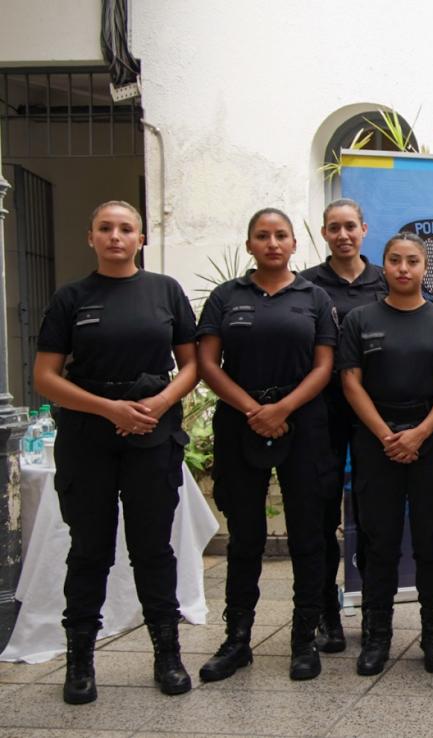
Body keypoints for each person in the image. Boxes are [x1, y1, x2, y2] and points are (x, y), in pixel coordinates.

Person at [33, 201, 199, 704]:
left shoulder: (165, 291)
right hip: (89, 435)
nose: (116, 237)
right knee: (89, 551)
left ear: (141, 239)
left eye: (126, 229)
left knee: (153, 548)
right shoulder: (71, 298)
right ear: (91, 237)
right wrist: (110, 410)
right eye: (105, 228)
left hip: (152, 430)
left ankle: (166, 655)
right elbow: (44, 379)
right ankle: (80, 661)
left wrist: (158, 402)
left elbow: (191, 365)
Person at [196, 207, 338, 682]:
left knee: (308, 534)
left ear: (295, 244)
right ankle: (237, 640)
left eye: (281, 235)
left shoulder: (314, 296)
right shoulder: (226, 297)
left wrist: (282, 409)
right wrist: (254, 410)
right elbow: (209, 364)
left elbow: (324, 366)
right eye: (263, 235)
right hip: (240, 423)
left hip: (304, 424)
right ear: (250, 244)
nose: (273, 243)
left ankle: (303, 641)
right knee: (246, 537)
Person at [337, 233, 433, 676]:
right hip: (376, 441)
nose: (404, 269)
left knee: (431, 542)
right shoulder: (358, 320)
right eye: (395, 260)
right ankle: (377, 637)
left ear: (426, 270)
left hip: (431, 441)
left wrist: (420, 433)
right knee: (380, 543)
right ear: (383, 266)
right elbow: (351, 382)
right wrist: (388, 435)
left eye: (413, 261)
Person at [298, 198, 387, 653]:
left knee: (373, 521)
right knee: (319, 519)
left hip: (376, 417)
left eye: (350, 226)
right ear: (324, 233)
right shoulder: (307, 286)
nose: (343, 235)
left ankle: (374, 614)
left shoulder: (387, 280)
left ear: (364, 229)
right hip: (322, 416)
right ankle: (325, 615)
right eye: (334, 228)